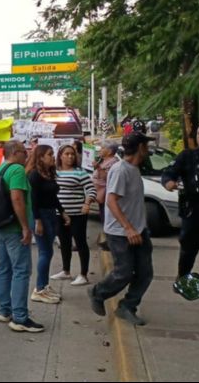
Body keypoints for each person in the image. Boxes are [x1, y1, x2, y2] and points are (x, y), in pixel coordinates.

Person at [88, 132, 153, 326]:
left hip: (138, 230)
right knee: (124, 272)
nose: (148, 150)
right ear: (140, 147)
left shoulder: (134, 169)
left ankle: (127, 306)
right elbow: (111, 200)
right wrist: (128, 228)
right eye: (146, 146)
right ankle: (97, 293)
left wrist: (137, 228)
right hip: (120, 232)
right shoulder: (120, 169)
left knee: (145, 273)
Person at [0, 140, 44, 333]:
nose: (26, 154)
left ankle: (4, 310)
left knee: (4, 268)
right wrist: (25, 227)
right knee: (21, 270)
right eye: (24, 151)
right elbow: (17, 198)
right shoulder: (17, 171)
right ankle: (20, 317)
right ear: (15, 152)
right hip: (14, 229)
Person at [162, 123, 199, 294]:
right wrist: (169, 182)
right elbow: (169, 173)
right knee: (188, 250)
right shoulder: (187, 156)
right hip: (192, 211)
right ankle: (182, 278)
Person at [26, 145, 69, 305]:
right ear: (41, 157)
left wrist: (62, 211)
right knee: (45, 252)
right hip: (41, 215)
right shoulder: (34, 175)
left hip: (51, 213)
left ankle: (44, 284)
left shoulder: (48, 173)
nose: (53, 157)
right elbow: (34, 201)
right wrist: (37, 220)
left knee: (49, 251)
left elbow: (53, 196)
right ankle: (39, 289)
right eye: (49, 154)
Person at [52, 145, 96, 286]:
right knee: (64, 243)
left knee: (80, 242)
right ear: (60, 156)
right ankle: (66, 271)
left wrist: (87, 203)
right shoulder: (54, 173)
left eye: (72, 154)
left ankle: (83, 274)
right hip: (60, 214)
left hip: (77, 214)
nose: (70, 157)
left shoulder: (80, 173)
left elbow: (91, 190)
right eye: (67, 154)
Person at [92, 142, 120, 225]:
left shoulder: (113, 162)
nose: (100, 150)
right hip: (101, 194)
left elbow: (108, 177)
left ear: (110, 151)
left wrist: (98, 168)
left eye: (103, 148)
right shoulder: (103, 160)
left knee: (105, 216)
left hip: (106, 195)